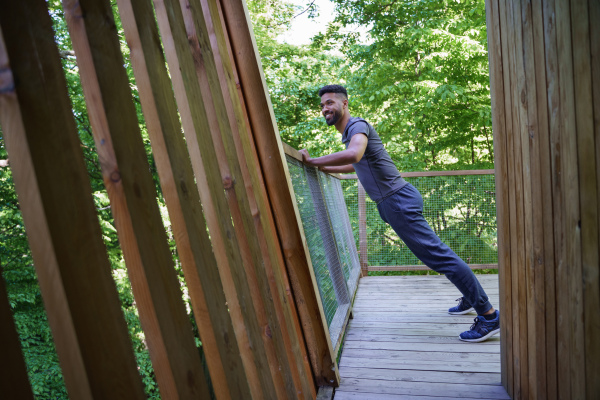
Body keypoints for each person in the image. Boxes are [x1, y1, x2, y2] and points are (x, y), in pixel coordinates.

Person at [299, 84, 500, 342]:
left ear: (344, 103)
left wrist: (313, 161)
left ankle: (488, 315)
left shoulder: (356, 126)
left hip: (397, 202)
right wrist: (328, 170)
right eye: (322, 105)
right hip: (397, 201)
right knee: (438, 255)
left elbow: (355, 153)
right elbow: (356, 163)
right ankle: (472, 297)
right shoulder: (350, 132)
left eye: (330, 103)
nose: (325, 108)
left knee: (439, 256)